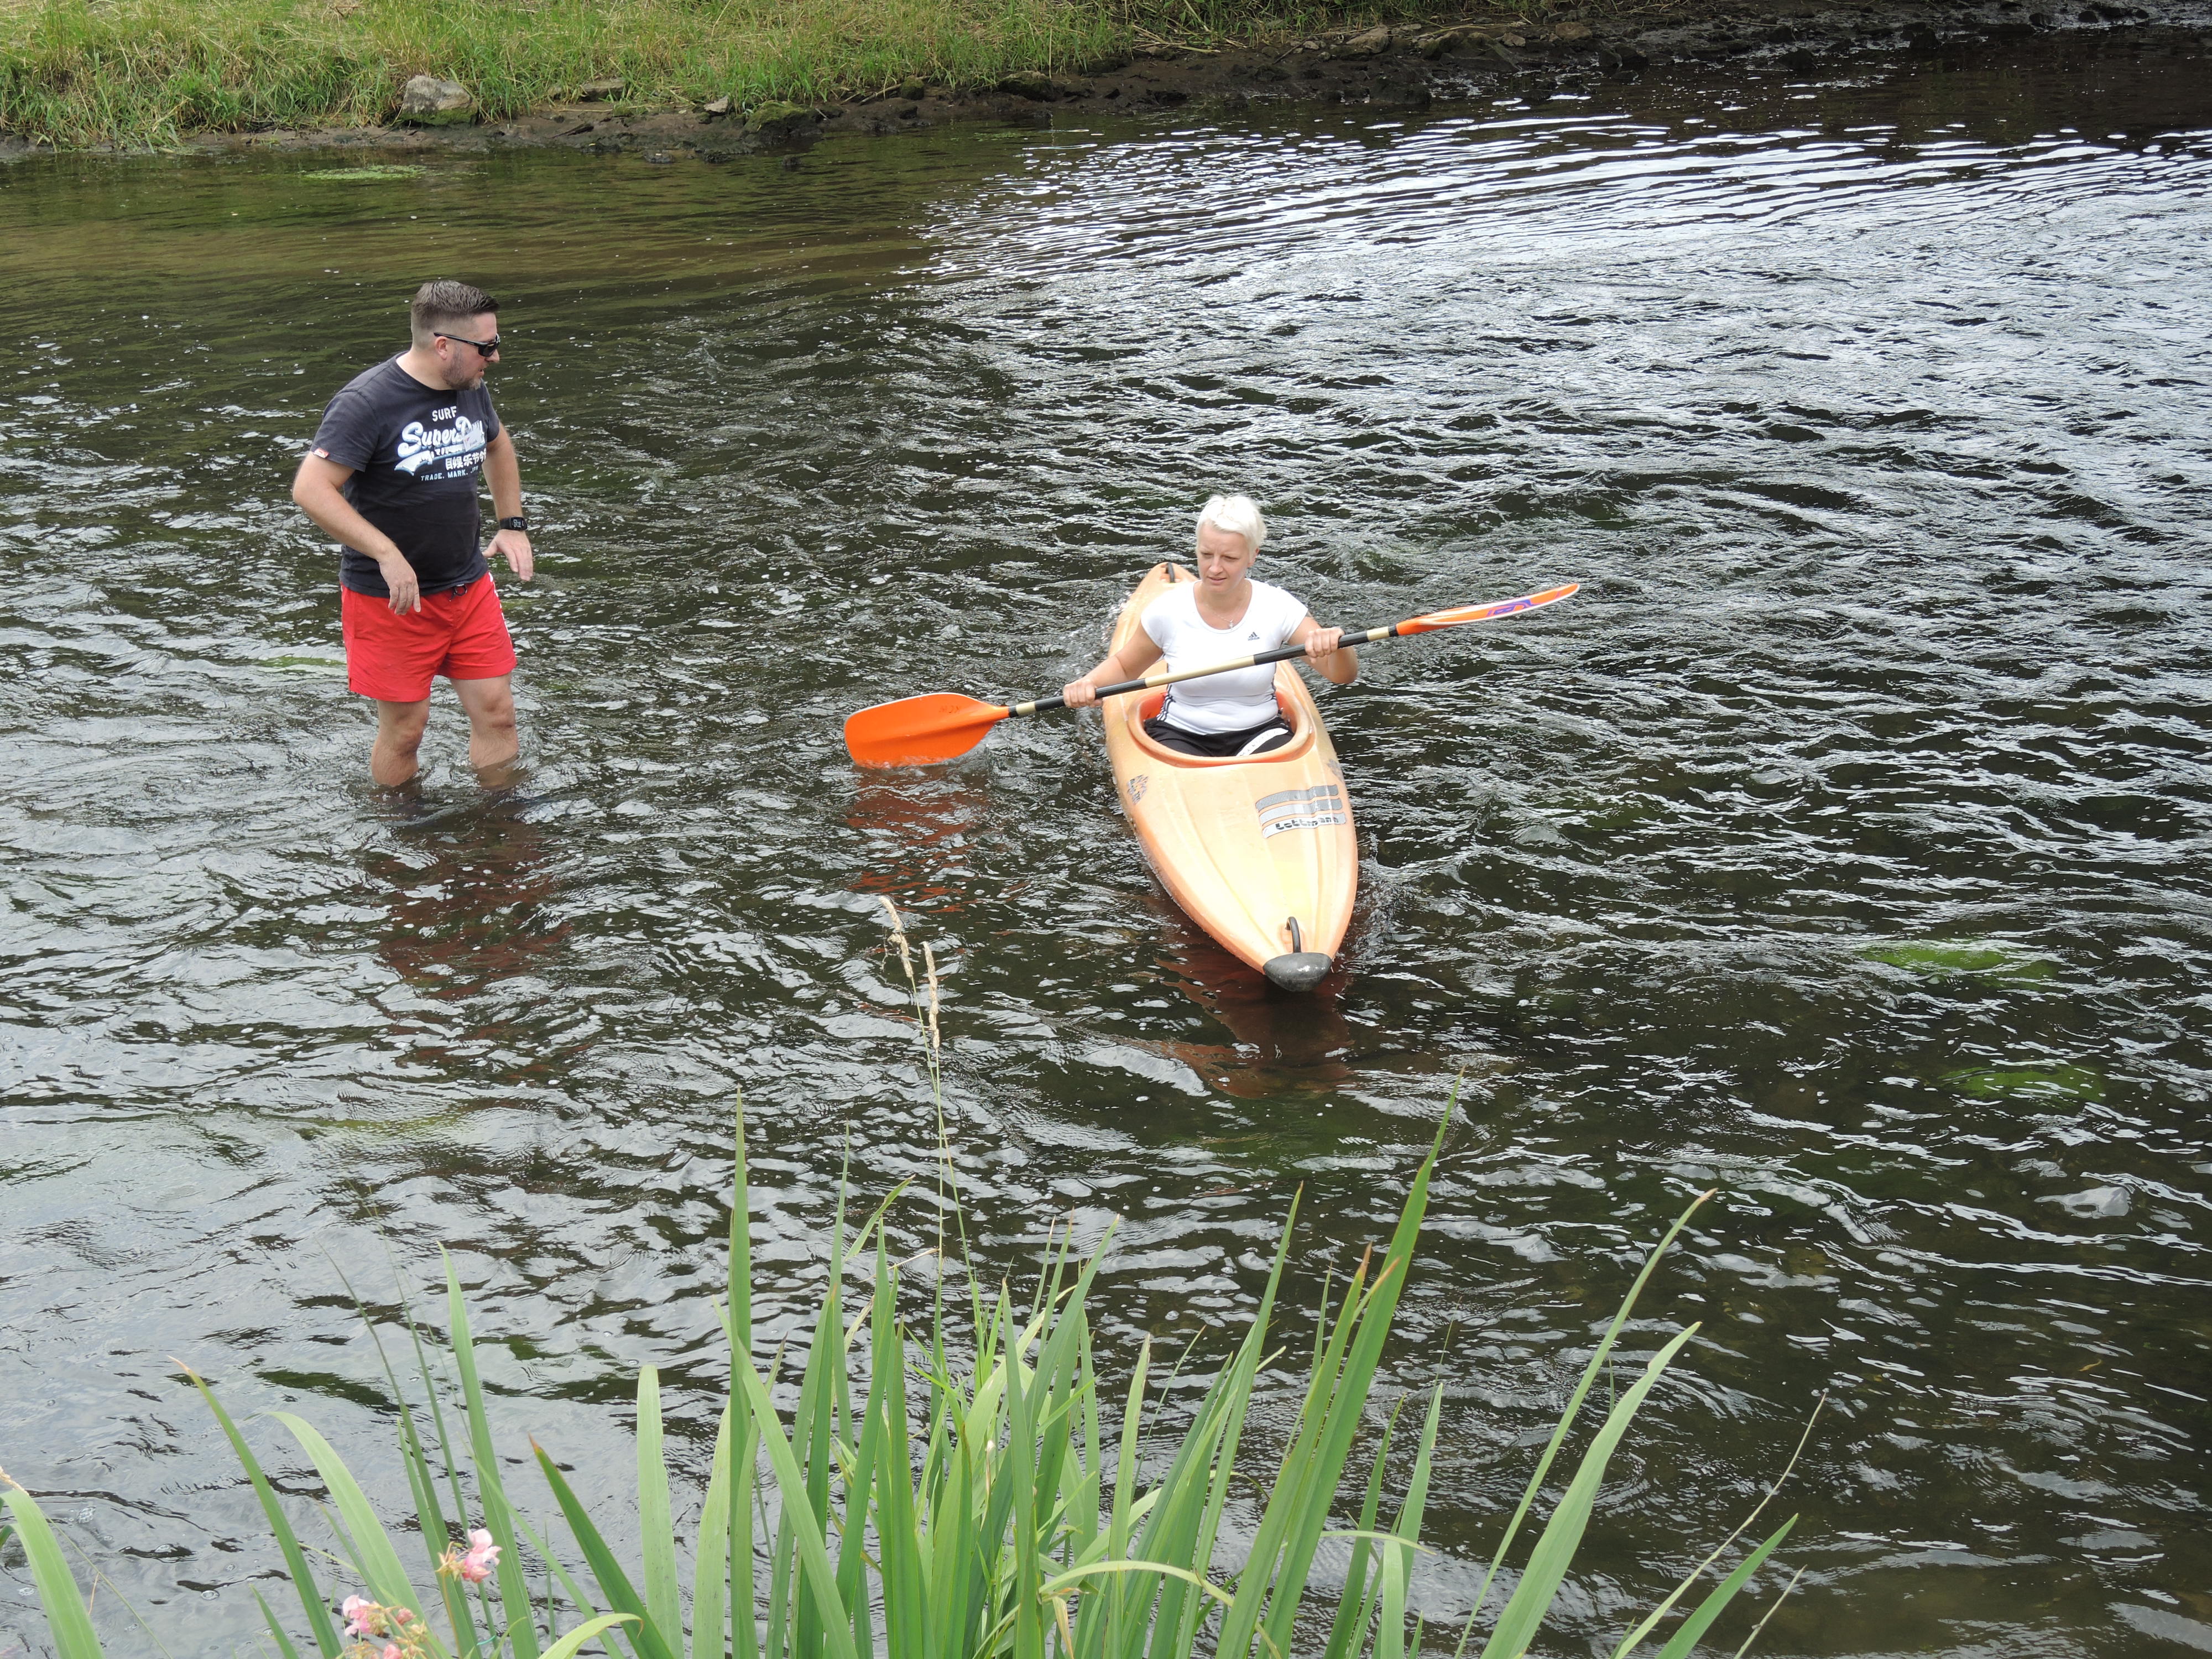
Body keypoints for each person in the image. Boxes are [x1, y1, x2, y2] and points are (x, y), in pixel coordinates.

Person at [292, 278, 534, 789]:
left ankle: (501, 822)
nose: (495, 357)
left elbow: (496, 444)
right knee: (406, 731)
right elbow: (311, 489)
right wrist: (385, 552)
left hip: (466, 584)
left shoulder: (470, 387)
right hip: (392, 598)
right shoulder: (367, 402)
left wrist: (511, 525)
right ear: (443, 345)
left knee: (498, 713)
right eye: (486, 346)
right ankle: (400, 830)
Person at [1062, 494, 1355, 755]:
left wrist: (1337, 646)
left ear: (1252, 556)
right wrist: (1088, 685)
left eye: (1229, 558)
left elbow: (1342, 675)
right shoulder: (1167, 611)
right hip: (1181, 735)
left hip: (1262, 733)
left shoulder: (1278, 606)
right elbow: (1125, 667)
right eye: (1206, 555)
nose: (1215, 568)